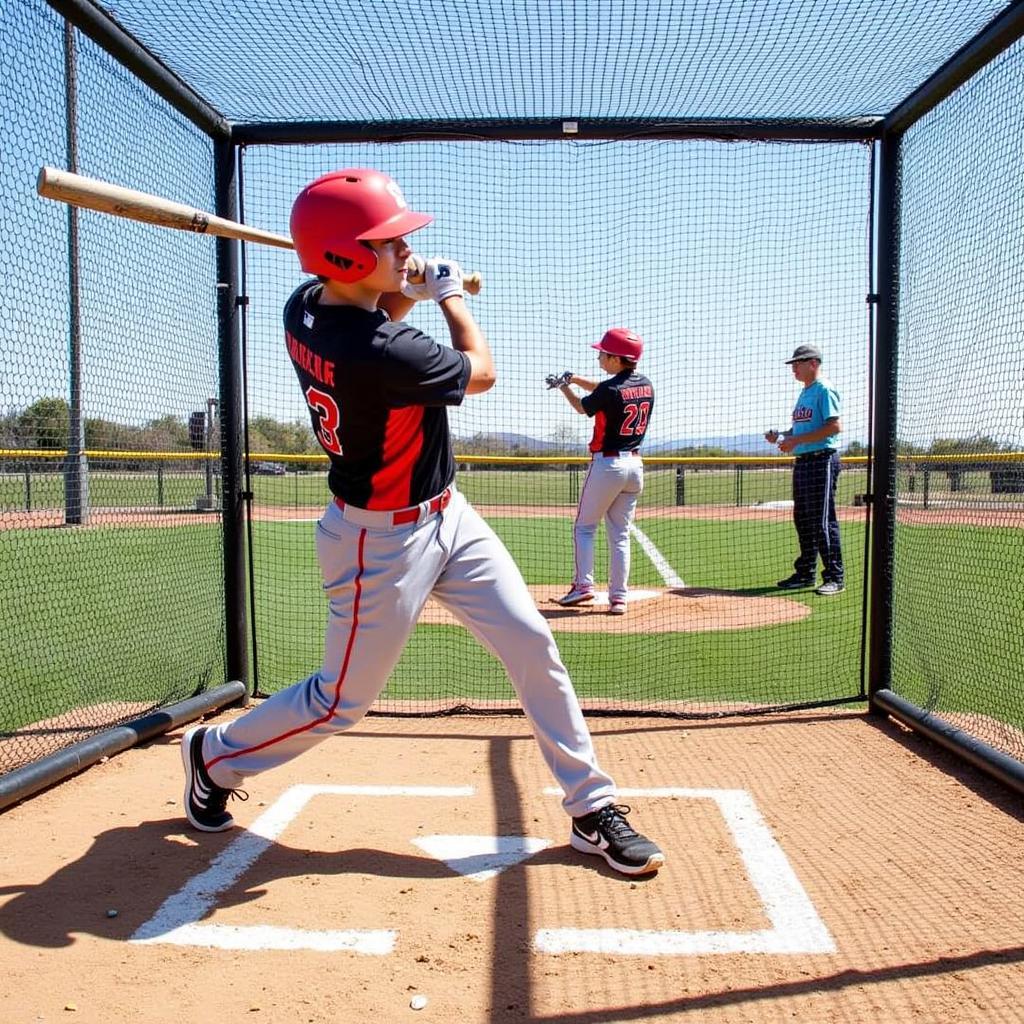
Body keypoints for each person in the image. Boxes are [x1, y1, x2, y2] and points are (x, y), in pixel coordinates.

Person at [179, 169, 664, 877]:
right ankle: (215, 755)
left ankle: (591, 807)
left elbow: (378, 304)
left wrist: (406, 282)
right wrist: (453, 297)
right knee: (340, 702)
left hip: (449, 516)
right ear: (346, 258)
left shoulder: (304, 303)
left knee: (533, 644)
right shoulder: (379, 351)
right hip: (379, 540)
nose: (406, 246)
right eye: (391, 240)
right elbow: (480, 370)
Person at [546, 328, 653, 615]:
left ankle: (583, 587)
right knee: (620, 534)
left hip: (608, 465)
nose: (599, 356)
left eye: (603, 353)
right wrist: (575, 378)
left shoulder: (609, 389)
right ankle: (618, 598)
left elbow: (584, 407)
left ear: (617, 359)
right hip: (635, 467)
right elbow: (607, 389)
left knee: (584, 527)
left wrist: (564, 387)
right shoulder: (646, 384)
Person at [765, 344, 845, 596]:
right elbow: (800, 431)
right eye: (793, 364)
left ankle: (835, 576)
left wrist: (796, 441)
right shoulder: (805, 393)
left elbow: (834, 427)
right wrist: (782, 435)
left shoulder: (824, 389)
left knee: (822, 521)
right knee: (803, 520)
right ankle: (806, 573)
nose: (794, 368)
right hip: (804, 462)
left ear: (813, 363)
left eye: (798, 363)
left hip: (822, 460)